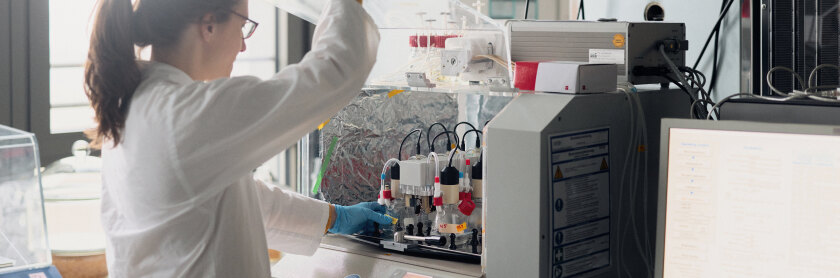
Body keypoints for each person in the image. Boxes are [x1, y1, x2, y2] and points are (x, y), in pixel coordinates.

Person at [84, 0, 389, 276]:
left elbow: (237, 199)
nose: (243, 46)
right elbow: (336, 71)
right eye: (243, 25)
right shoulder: (189, 115)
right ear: (209, 25)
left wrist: (333, 217)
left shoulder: (136, 104)